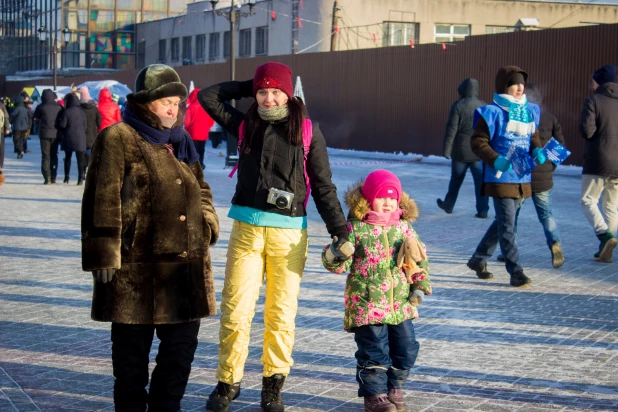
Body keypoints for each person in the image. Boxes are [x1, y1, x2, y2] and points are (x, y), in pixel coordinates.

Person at [197, 61, 353, 412]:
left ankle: (273, 387)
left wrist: (340, 233)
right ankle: (228, 382)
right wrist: (247, 84)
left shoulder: (307, 131)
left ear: (288, 92)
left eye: (274, 91)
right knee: (235, 312)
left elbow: (324, 186)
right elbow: (207, 97)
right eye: (262, 92)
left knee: (280, 314)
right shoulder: (244, 125)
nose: (268, 99)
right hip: (246, 232)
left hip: (289, 238)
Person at [81, 64, 219, 411]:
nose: (173, 109)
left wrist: (208, 222)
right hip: (136, 273)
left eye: (176, 102)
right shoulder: (118, 138)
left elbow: (201, 189)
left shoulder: (181, 142)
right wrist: (103, 255)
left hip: (184, 273)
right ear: (145, 104)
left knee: (179, 355)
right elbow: (102, 198)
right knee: (131, 362)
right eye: (165, 102)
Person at [322, 169, 431, 412]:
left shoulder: (404, 228)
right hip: (366, 303)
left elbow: (418, 260)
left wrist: (420, 287)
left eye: (393, 199)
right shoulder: (355, 228)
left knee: (407, 347)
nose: (388, 203)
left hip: (401, 303)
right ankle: (376, 396)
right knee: (374, 351)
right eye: (382, 198)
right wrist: (337, 252)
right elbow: (337, 266)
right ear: (370, 199)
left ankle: (395, 386)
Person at [466, 66, 545, 287]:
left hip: (521, 177)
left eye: (522, 84)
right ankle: (515, 271)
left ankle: (478, 259)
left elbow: (533, 136)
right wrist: (494, 159)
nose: (520, 88)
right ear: (504, 87)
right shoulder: (491, 112)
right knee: (508, 225)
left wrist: (537, 150)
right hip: (500, 177)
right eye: (514, 84)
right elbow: (477, 142)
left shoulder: (528, 110)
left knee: (504, 222)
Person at [497, 84, 565, 268]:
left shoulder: (516, 118)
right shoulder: (550, 118)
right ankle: (555, 243)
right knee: (546, 215)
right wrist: (550, 168)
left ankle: (508, 251)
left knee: (513, 215)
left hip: (521, 176)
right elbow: (560, 145)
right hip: (544, 177)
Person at [579, 64, 618, 263]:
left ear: (599, 82)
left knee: (588, 201)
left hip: (598, 161)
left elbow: (587, 131)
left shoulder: (593, 101)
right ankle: (606, 248)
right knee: (611, 206)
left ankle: (605, 236)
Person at [438, 78, 489, 218]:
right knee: (480, 181)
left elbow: (452, 128)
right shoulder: (483, 106)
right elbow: (488, 129)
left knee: (456, 179)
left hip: (460, 151)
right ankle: (483, 210)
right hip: (478, 151)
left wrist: (447, 150)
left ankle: (448, 205)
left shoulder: (458, 105)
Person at [55, 93, 87, 184]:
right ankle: (80, 178)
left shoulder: (66, 111)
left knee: (67, 158)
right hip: (80, 138)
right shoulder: (82, 112)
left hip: (68, 137)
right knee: (80, 159)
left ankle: (66, 177)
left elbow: (63, 125)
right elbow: (85, 126)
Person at [33, 89, 63, 184]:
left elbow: (35, 117)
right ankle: (53, 176)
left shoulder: (40, 107)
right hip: (55, 134)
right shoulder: (59, 107)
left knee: (45, 156)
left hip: (44, 134)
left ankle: (47, 177)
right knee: (54, 155)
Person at [184, 88, 215, 169]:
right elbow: (211, 120)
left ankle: (194, 165)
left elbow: (187, 121)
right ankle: (201, 164)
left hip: (193, 133)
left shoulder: (191, 107)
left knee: (193, 150)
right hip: (203, 133)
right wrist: (207, 127)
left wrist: (187, 129)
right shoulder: (206, 107)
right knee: (202, 149)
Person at [79, 86, 102, 169]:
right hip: (92, 133)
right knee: (89, 151)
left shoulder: (79, 108)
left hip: (81, 134)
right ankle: (89, 167)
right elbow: (99, 122)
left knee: (82, 153)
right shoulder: (94, 108)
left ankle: (83, 169)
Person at [0, 98, 9, 184]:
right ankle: (0, 165)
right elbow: (6, 117)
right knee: (1, 148)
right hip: (1, 130)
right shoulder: (1, 105)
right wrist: (7, 127)